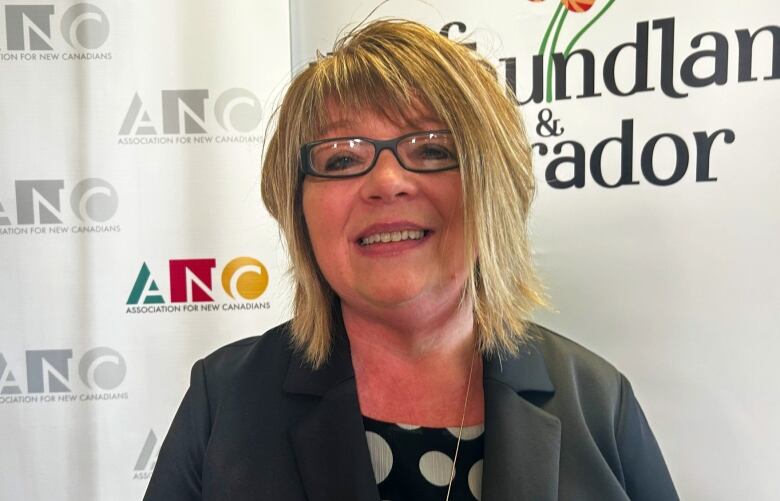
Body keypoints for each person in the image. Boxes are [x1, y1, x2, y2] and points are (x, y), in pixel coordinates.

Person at [144, 19, 678, 501]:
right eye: (342, 158)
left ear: (496, 186)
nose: (386, 182)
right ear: (296, 205)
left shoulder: (599, 402)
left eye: (432, 150)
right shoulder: (224, 401)